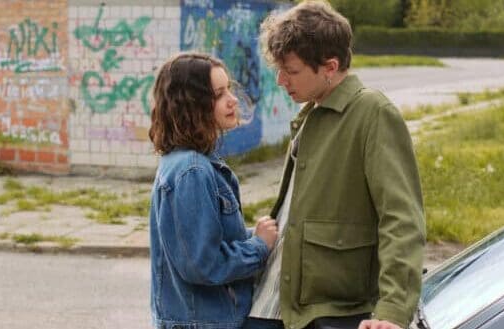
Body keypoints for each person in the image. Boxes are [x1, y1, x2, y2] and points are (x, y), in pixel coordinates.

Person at [244, 2, 426, 329]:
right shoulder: (310, 113)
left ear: (330, 66)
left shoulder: (373, 112)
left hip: (328, 313)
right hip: (274, 304)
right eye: (279, 69)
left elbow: (402, 219)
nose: (281, 80)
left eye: (292, 71)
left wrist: (393, 310)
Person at [147, 52, 278, 329]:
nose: (232, 100)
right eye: (219, 94)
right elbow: (202, 264)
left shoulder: (190, 163)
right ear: (191, 105)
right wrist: (259, 247)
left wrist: (253, 235)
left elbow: (201, 243)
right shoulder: (192, 170)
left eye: (228, 89)